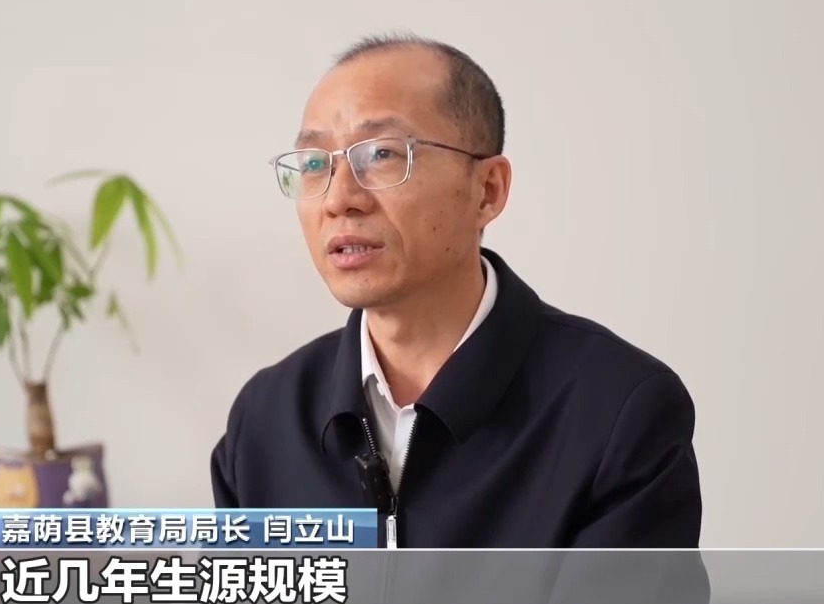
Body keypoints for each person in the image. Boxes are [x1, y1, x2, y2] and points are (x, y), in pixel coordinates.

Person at [210, 32, 703, 549]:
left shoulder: (617, 411)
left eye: (381, 154)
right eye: (314, 164)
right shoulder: (265, 420)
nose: (338, 200)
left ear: (487, 190)